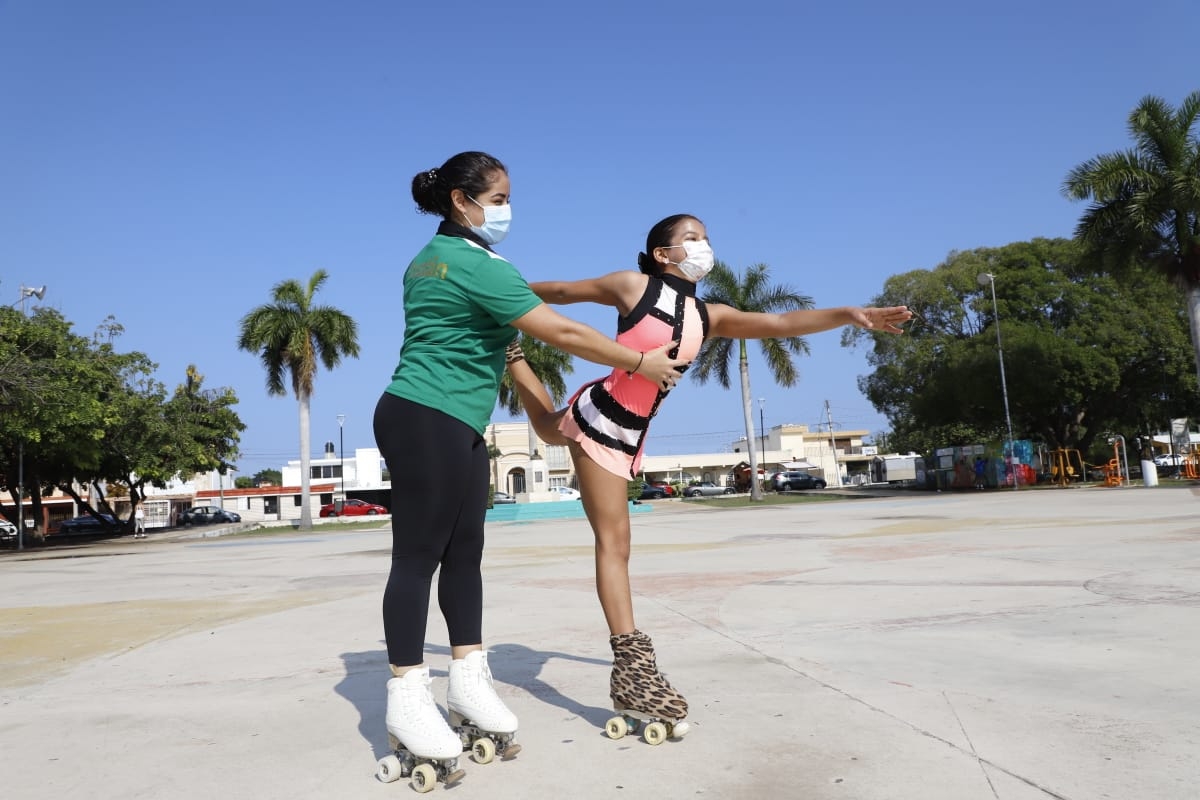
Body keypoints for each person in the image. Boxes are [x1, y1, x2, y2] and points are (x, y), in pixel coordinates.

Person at [506, 213, 911, 733]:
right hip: (605, 416)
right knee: (615, 543)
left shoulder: (708, 314)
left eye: (706, 238)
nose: (703, 246)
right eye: (690, 239)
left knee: (546, 427)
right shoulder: (632, 286)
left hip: (633, 430)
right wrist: (502, 298)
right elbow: (560, 291)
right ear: (661, 253)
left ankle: (514, 359)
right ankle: (633, 670)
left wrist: (850, 314)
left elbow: (780, 324)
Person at [372, 152, 688, 774]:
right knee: (417, 560)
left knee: (464, 556)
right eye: (499, 198)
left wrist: (553, 418)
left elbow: (509, 353)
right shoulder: (468, 262)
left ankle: (467, 680)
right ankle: (406, 695)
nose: (507, 210)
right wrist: (637, 361)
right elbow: (561, 331)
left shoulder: (438, 260)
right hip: (423, 413)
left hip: (457, 421)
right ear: (463, 202)